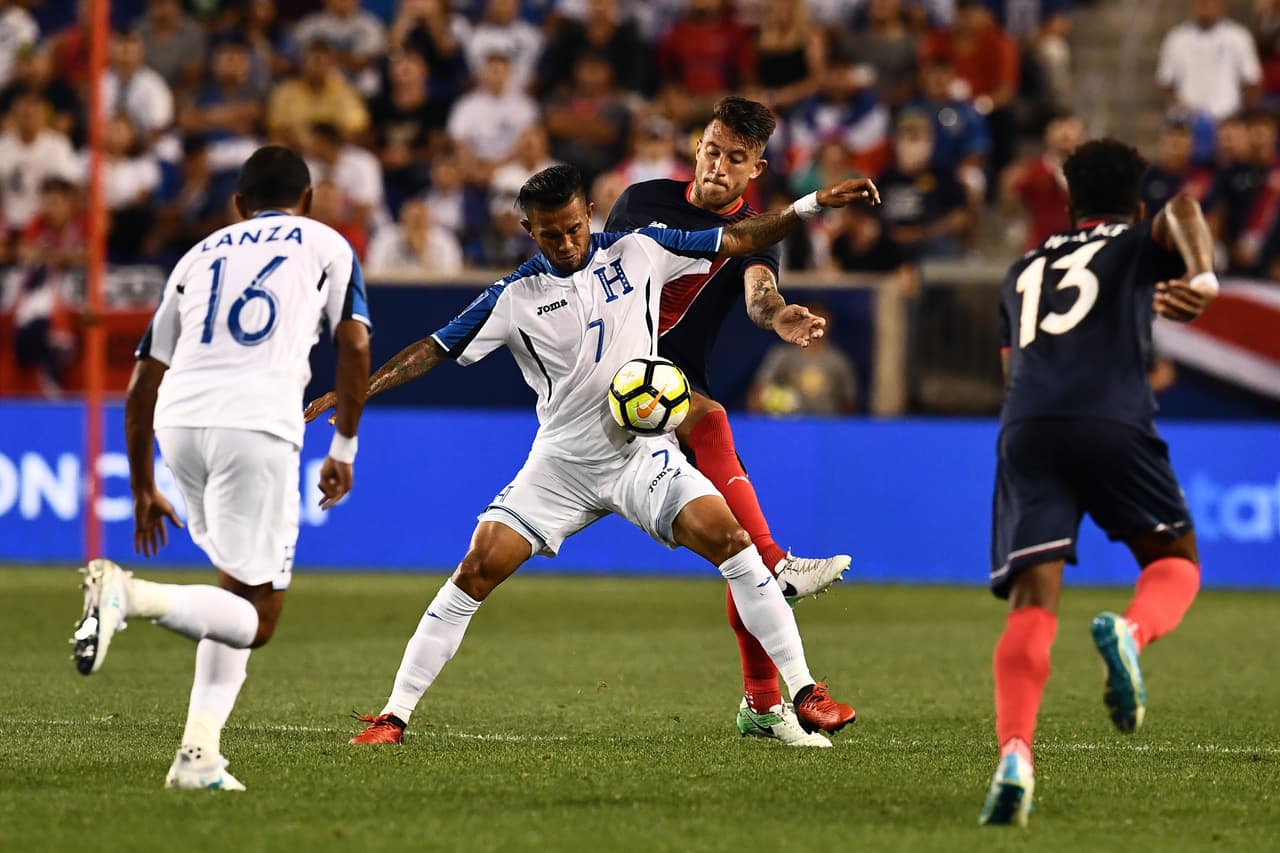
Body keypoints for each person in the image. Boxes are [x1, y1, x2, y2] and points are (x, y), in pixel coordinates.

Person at [304, 163, 880, 747]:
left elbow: (739, 237)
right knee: (475, 569)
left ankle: (804, 691)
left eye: (575, 227)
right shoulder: (513, 297)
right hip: (561, 467)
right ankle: (393, 718)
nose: (566, 242)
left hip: (641, 456)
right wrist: (358, 390)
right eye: (550, 233)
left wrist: (811, 204)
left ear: (589, 215)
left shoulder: (642, 248)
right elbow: (434, 349)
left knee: (734, 543)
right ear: (529, 229)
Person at [70, 146, 372, 792]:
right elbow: (354, 342)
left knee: (234, 588)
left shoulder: (198, 256)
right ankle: (130, 594)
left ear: (238, 206)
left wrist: (144, 482)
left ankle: (197, 754)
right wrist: (343, 447)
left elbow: (140, 381)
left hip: (179, 422)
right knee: (259, 617)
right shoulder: (327, 241)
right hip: (256, 422)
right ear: (309, 198)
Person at [980, 139, 1218, 827]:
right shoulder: (1140, 238)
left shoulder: (1021, 268)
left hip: (1026, 425)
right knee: (1176, 559)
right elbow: (1186, 209)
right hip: (1111, 418)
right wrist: (1201, 279)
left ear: (1068, 201)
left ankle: (1016, 755)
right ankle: (1131, 630)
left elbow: (1009, 371)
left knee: (1032, 599)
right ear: (1135, 206)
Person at [604, 97, 856, 746]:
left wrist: (779, 316)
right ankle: (780, 566)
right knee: (711, 421)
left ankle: (762, 702)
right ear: (698, 147)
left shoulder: (757, 231)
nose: (719, 165)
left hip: (672, 391)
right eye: (712, 150)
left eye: (735, 158)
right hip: (611, 382)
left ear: (756, 169)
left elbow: (758, 290)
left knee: (734, 548)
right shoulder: (639, 203)